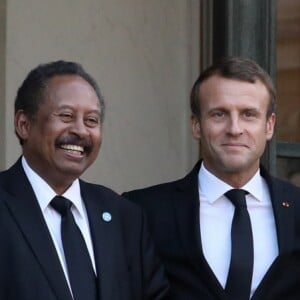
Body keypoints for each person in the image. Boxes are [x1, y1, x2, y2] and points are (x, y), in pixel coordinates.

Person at [123, 57, 300, 300]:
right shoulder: (142, 210)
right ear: (196, 125)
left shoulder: (297, 207)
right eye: (219, 114)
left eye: (249, 114)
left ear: (269, 126)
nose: (235, 128)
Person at [0, 60, 169, 300]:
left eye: (92, 120)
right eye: (66, 115)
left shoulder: (124, 217)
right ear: (24, 124)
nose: (81, 131)